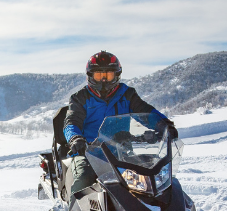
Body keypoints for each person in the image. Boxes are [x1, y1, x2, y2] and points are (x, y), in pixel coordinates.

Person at [61, 51, 168, 198]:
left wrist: (164, 125)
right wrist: (75, 138)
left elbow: (148, 113)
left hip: (121, 150)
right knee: (84, 179)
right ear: (90, 76)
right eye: (99, 75)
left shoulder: (127, 95)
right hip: (88, 151)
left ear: (116, 75)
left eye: (108, 75)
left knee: (151, 178)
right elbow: (71, 122)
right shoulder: (80, 98)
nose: (103, 80)